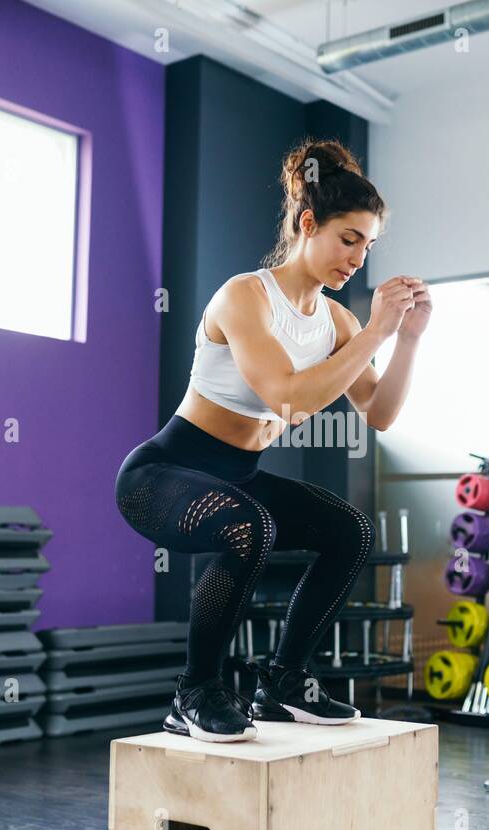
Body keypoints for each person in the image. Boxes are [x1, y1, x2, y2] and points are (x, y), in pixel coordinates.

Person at [114, 138, 431, 741]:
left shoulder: (337, 322)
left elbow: (380, 413)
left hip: (238, 475)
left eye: (368, 244)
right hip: (161, 475)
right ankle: (195, 690)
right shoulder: (245, 296)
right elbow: (288, 397)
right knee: (249, 524)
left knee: (350, 531)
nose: (359, 258)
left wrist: (407, 338)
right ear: (308, 224)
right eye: (348, 239)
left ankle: (283, 681)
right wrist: (376, 332)